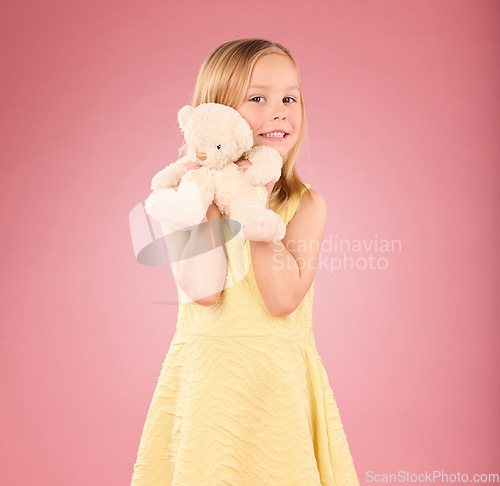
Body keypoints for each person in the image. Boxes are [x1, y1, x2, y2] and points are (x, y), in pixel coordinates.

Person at [131, 38, 360, 486]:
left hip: (278, 382)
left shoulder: (306, 204)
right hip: (209, 381)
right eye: (258, 98)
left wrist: (253, 205)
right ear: (216, 112)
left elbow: (282, 300)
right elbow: (205, 291)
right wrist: (214, 199)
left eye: (289, 98)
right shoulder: (183, 198)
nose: (280, 111)